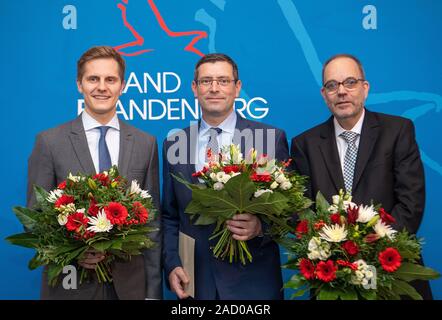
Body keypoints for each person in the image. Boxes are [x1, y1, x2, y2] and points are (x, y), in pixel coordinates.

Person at [290, 53, 433, 299]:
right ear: (324, 95)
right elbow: (302, 211)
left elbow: (411, 203)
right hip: (332, 278)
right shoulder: (305, 144)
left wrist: (371, 250)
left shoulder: (398, 131)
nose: (341, 91)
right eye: (332, 85)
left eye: (350, 82)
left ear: (365, 88)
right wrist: (336, 254)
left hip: (392, 272)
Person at [27, 46, 162, 300]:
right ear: (80, 84)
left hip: (130, 288)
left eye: (110, 79)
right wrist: (77, 250)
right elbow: (35, 217)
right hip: (70, 286)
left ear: (122, 85)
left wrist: (153, 294)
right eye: (93, 79)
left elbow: (153, 225)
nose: (102, 87)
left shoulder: (146, 143)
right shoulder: (49, 142)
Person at [162, 53, 289, 299]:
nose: (214, 88)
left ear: (237, 87)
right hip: (194, 282)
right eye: (206, 81)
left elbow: (291, 212)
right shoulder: (175, 143)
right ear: (194, 88)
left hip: (253, 285)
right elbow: (170, 216)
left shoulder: (270, 139)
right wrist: (172, 264)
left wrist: (261, 227)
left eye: (223, 80)